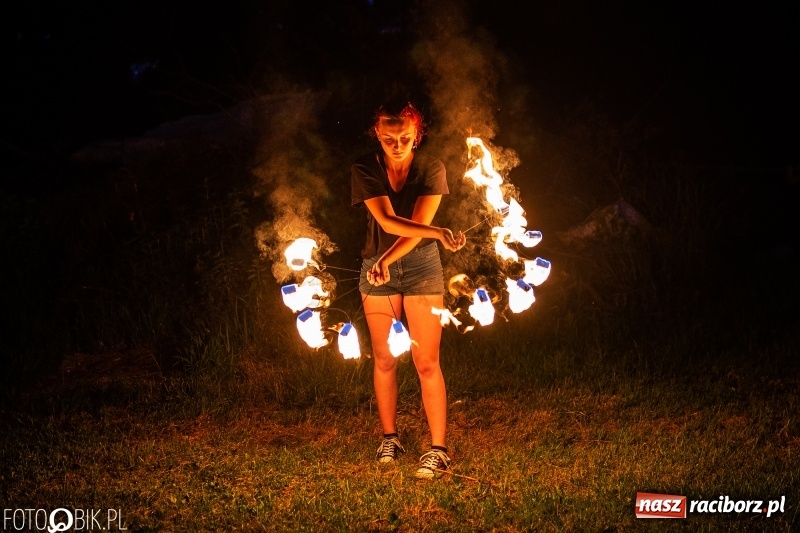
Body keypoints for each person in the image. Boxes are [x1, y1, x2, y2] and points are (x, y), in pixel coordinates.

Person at [351, 100, 466, 479]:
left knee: (426, 361)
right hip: (376, 266)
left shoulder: (431, 168)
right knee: (384, 358)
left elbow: (416, 225)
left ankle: (438, 449)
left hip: (421, 267)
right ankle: (390, 438)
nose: (397, 144)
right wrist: (433, 236)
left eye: (404, 137)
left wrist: (393, 257)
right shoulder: (365, 168)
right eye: (388, 138)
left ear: (417, 134)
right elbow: (387, 219)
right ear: (377, 136)